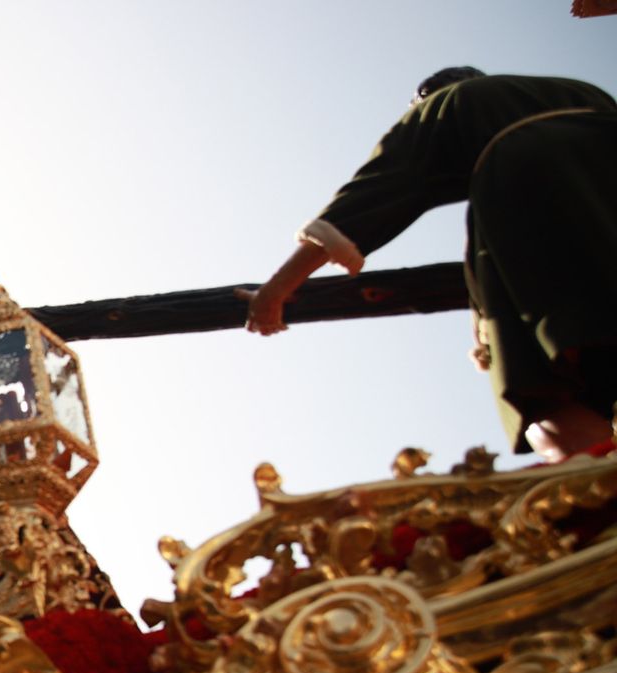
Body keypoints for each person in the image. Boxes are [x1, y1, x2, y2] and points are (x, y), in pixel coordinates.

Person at [241, 68, 617, 462]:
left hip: (531, 210)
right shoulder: (580, 89)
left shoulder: (449, 104)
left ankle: (596, 488)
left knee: (543, 394)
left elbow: (370, 196)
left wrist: (276, 290)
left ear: (423, 97)